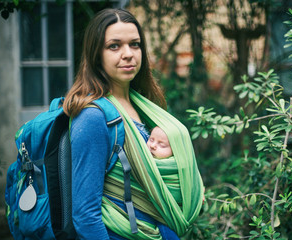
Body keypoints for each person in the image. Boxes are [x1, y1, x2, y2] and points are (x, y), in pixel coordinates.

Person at [63, 8, 204, 240]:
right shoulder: (93, 117)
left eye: (135, 44)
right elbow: (85, 216)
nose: (128, 54)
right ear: (96, 53)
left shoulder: (144, 107)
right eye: (114, 46)